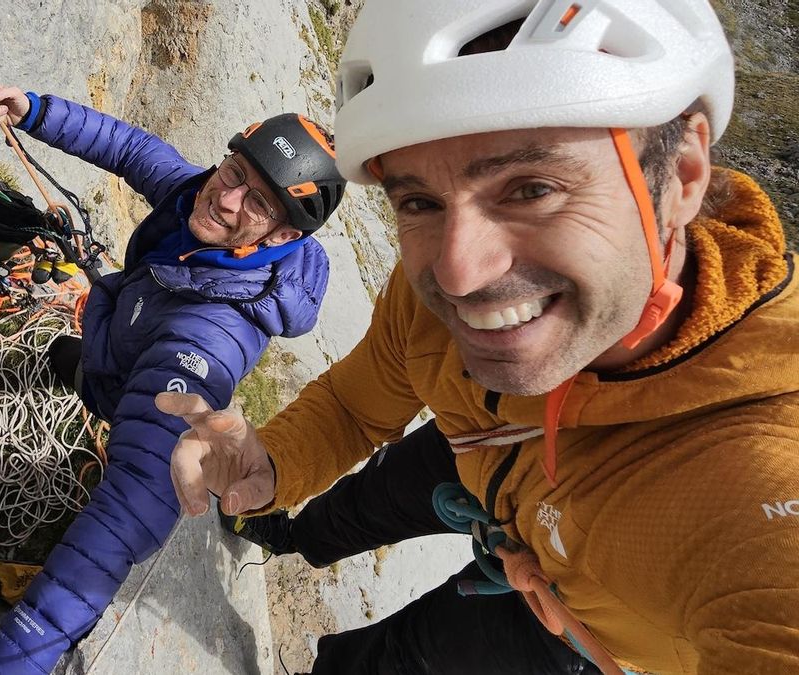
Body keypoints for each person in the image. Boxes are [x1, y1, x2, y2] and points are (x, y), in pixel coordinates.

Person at [158, 1, 799, 673]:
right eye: (419, 202)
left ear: (684, 175)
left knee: (391, 662)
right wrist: (275, 462)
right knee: (359, 508)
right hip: (480, 444)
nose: (459, 273)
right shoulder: (436, 302)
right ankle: (281, 529)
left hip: (566, 618)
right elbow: (355, 406)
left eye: (532, 188)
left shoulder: (753, 466)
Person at [0, 85, 346, 673]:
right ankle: (83, 376)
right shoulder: (197, 194)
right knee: (65, 357)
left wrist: (21, 652)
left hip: (137, 377)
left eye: (258, 203)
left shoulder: (210, 338)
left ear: (283, 236)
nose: (226, 199)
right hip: (116, 344)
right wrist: (35, 111)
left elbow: (138, 500)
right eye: (235, 171)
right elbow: (131, 148)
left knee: (120, 462)